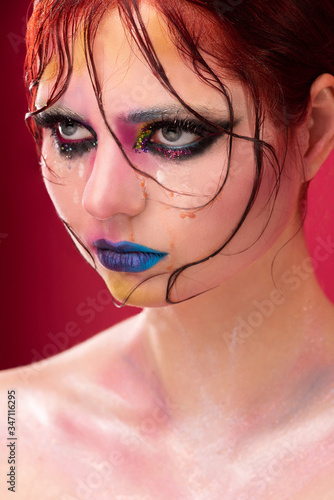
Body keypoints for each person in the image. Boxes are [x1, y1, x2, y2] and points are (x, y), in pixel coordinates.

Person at [1, 0, 334, 498]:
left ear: (314, 129)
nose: (101, 199)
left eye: (172, 134)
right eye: (69, 132)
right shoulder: (12, 430)